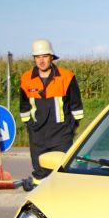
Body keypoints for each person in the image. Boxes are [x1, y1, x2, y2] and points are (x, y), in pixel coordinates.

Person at [18, 39, 83, 191]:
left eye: (45, 56)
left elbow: (77, 109)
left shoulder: (67, 77)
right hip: (37, 134)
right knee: (39, 172)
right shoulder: (26, 79)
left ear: (52, 57)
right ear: (34, 58)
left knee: (63, 170)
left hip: (61, 134)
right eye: (38, 57)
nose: (41, 60)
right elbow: (24, 108)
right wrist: (31, 127)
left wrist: (70, 128)